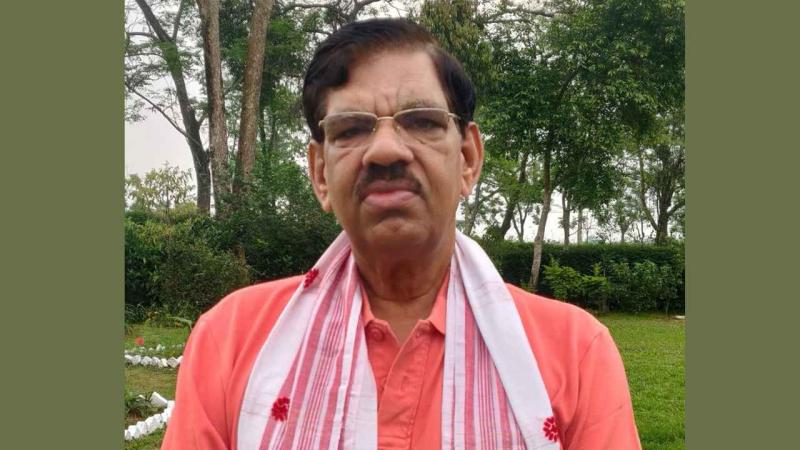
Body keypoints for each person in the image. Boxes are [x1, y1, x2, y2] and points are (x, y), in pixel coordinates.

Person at [161, 18, 641, 450]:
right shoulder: (229, 341)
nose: (386, 151)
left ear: (468, 159)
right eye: (351, 129)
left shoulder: (575, 354)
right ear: (320, 173)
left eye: (422, 122)